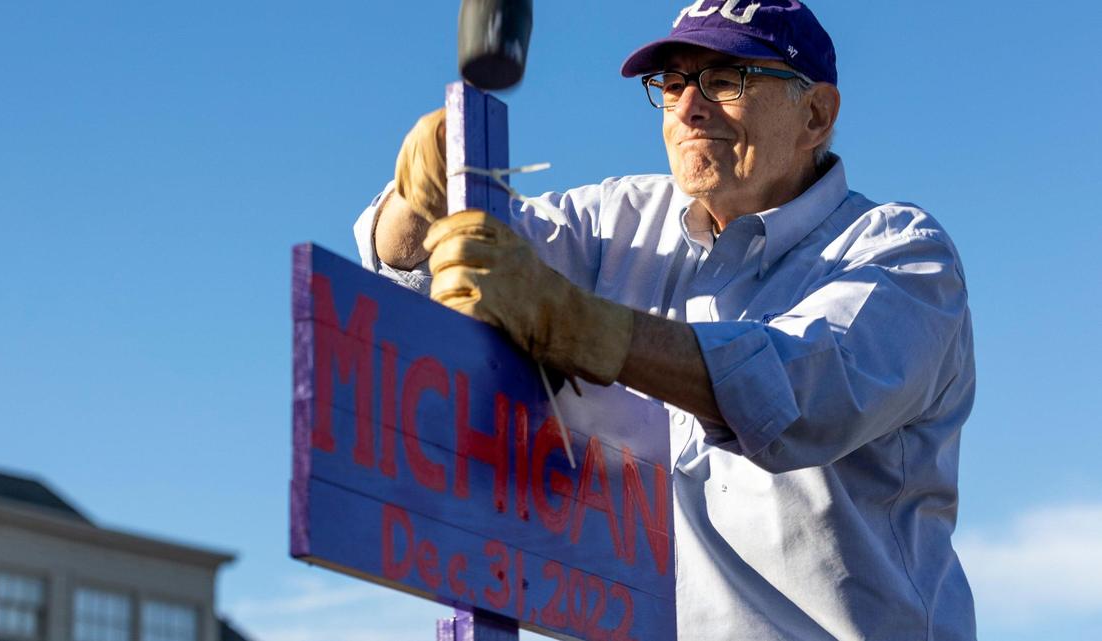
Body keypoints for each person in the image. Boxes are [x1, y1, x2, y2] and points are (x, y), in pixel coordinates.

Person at [354, 1, 977, 639]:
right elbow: (415, 265)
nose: (687, 108)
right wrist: (422, 195)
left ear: (816, 114)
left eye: (725, 79)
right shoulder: (620, 221)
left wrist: (577, 325)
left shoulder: (899, 255)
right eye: (672, 84)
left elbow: (798, 394)